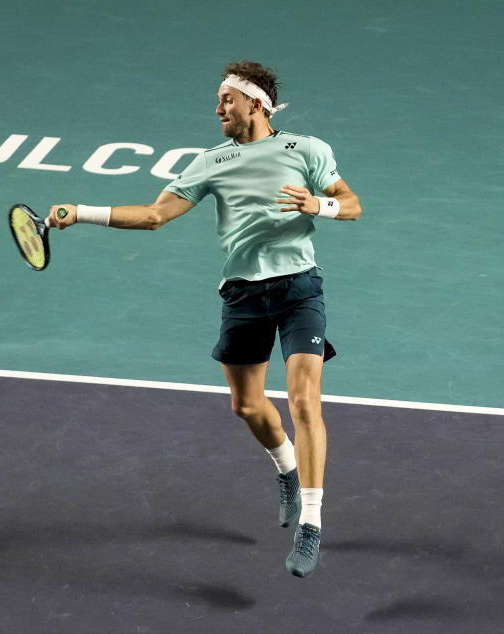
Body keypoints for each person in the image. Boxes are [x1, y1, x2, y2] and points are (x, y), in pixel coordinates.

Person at [47, 60, 361, 578]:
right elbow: (154, 215)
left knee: (304, 398)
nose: (218, 109)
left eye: (227, 100)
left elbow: (351, 205)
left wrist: (318, 205)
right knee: (246, 405)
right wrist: (80, 211)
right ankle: (285, 466)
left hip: (299, 287)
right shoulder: (210, 160)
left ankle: (311, 522)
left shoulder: (308, 149)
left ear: (254, 104)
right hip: (242, 293)